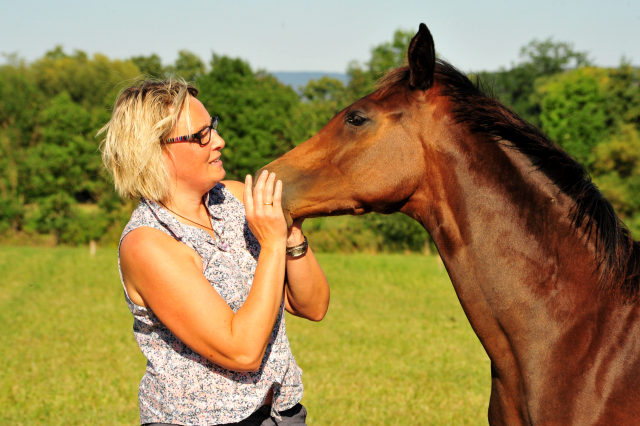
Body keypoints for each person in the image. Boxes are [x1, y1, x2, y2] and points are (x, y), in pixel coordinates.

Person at [99, 79, 330, 426]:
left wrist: (290, 232)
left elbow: (311, 306)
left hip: (282, 413)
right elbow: (242, 350)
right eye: (201, 135)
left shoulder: (236, 199)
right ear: (156, 151)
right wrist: (270, 243)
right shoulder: (149, 243)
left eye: (214, 128)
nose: (219, 141)